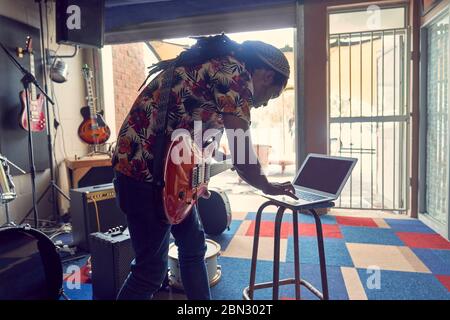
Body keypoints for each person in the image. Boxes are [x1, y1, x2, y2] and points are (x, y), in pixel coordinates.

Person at [112, 34, 297, 300]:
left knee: (192, 246)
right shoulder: (234, 74)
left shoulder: (217, 68)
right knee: (150, 271)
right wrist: (267, 185)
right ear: (267, 76)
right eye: (273, 94)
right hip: (143, 175)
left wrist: (195, 180)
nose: (266, 102)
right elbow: (243, 156)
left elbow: (193, 133)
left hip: (161, 173)